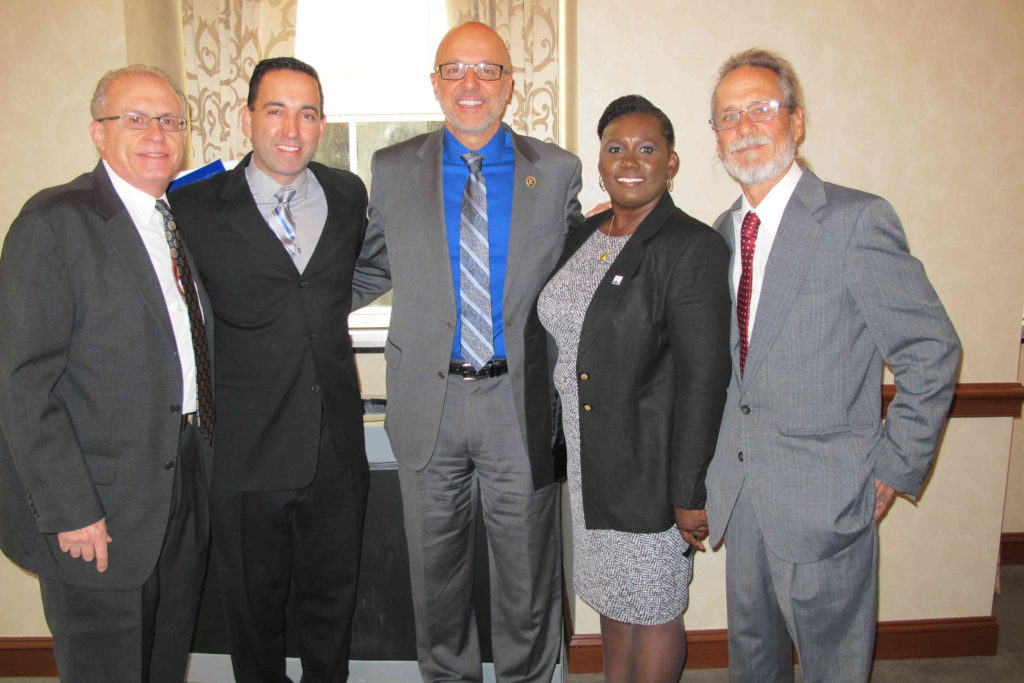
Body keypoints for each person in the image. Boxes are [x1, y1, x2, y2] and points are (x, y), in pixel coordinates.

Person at [704, 48, 961, 681]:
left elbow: (931, 351)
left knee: (834, 668)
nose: (745, 127)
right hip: (743, 498)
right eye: (728, 116)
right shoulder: (718, 233)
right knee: (753, 662)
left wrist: (893, 467)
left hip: (828, 498)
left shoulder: (854, 221)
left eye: (760, 108)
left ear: (795, 120)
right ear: (715, 138)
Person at [352, 21, 583, 682]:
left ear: (510, 85)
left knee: (527, 584)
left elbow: (577, 278)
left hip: (520, 405)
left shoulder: (557, 169)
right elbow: (368, 269)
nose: (471, 85)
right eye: (455, 70)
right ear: (435, 84)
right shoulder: (393, 169)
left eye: (488, 70)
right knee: (436, 585)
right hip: (431, 401)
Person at [0, 65, 212, 682]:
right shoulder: (53, 223)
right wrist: (68, 507)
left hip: (179, 485)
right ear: (99, 133)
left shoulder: (172, 221)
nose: (157, 133)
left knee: (162, 662)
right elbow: (21, 382)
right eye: (136, 119)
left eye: (169, 120)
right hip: (97, 508)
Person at [170, 57, 369, 682]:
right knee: (253, 618)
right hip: (245, 451)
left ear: (322, 123)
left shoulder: (347, 192)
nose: (292, 127)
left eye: (307, 112)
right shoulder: (194, 205)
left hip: (336, 448)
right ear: (248, 116)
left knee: (331, 609)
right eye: (275, 109)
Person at [537, 95, 731, 682]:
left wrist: (688, 489)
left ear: (671, 163)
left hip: (649, 469)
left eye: (647, 149)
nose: (630, 160)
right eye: (615, 148)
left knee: (651, 609)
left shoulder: (690, 247)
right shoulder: (590, 234)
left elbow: (704, 379)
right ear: (599, 163)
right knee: (613, 604)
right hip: (589, 463)